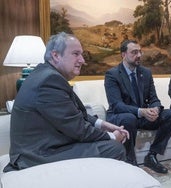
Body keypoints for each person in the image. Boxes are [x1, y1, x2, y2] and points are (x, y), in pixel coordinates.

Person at [4, 32, 129, 172]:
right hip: (36, 155)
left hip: (45, 146)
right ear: (56, 55)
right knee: (114, 148)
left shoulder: (45, 74)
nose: (82, 60)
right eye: (76, 54)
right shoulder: (49, 81)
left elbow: (71, 113)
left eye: (82, 54)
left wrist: (103, 124)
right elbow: (78, 129)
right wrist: (112, 136)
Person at [104, 40, 171, 174]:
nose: (139, 55)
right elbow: (116, 105)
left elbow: (154, 98)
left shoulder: (146, 73)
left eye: (139, 52)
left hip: (142, 116)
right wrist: (140, 111)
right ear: (123, 55)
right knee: (128, 118)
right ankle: (130, 161)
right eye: (134, 52)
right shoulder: (112, 74)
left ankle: (152, 155)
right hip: (121, 117)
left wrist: (155, 109)